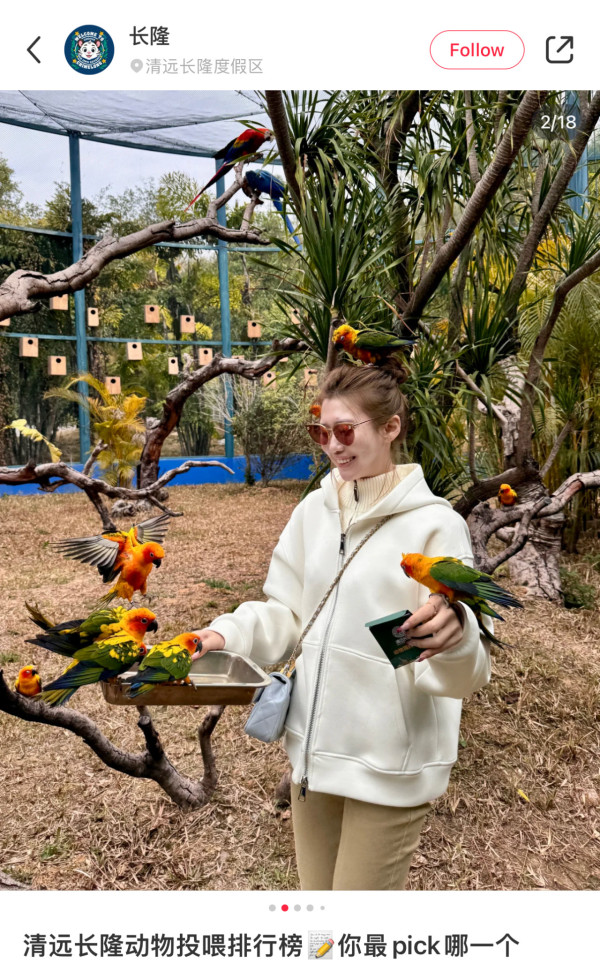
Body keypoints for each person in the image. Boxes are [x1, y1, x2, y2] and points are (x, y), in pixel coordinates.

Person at [193, 359, 492, 890]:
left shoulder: (437, 526)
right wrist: (224, 634)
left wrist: (458, 636)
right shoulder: (313, 511)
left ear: (391, 427)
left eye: (346, 430)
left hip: (390, 769)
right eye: (322, 432)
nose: (333, 445)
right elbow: (288, 613)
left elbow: (465, 671)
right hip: (312, 761)